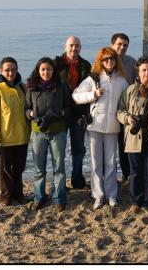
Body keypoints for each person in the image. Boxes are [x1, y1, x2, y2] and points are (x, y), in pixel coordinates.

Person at [72, 47, 128, 210]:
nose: (109, 61)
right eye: (105, 59)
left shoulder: (122, 80)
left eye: (111, 58)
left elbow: (126, 102)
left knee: (111, 162)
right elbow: (76, 96)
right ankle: (98, 195)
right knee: (96, 162)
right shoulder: (93, 78)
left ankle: (112, 195)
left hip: (113, 126)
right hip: (95, 125)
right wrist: (92, 95)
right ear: (101, 61)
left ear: (115, 60)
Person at [117, 56, 148, 215]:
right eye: (144, 70)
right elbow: (120, 110)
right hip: (134, 137)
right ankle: (136, 201)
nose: (147, 73)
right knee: (135, 172)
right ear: (138, 71)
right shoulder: (130, 90)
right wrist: (128, 118)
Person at [25, 57, 72, 212]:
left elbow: (69, 107)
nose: (46, 72)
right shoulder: (32, 87)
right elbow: (26, 109)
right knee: (39, 167)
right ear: (38, 71)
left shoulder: (61, 86)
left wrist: (60, 113)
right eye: (43, 69)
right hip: (38, 132)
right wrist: (31, 113)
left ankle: (59, 198)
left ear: (54, 71)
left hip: (58, 131)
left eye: (49, 69)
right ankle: (39, 197)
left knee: (59, 167)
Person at [0, 57, 31, 207]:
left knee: (19, 168)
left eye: (13, 69)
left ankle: (18, 194)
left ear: (17, 70)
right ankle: (6, 196)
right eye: (7, 70)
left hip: (22, 136)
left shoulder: (23, 88)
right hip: (4, 138)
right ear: (1, 71)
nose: (10, 73)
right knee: (5, 170)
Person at [54, 36, 92, 189]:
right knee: (59, 150)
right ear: (65, 47)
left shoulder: (85, 65)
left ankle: (77, 179)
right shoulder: (56, 64)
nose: (73, 48)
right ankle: (61, 182)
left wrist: (88, 112)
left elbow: (90, 88)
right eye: (71, 45)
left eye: (76, 46)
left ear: (80, 48)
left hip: (79, 113)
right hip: (61, 113)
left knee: (78, 149)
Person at [110, 33, 138, 183]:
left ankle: (126, 175)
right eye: (119, 44)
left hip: (125, 111)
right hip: (107, 111)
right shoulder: (105, 61)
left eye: (125, 45)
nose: (122, 47)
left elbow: (141, 80)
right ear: (112, 45)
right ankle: (108, 177)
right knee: (107, 148)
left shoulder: (131, 62)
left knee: (124, 145)